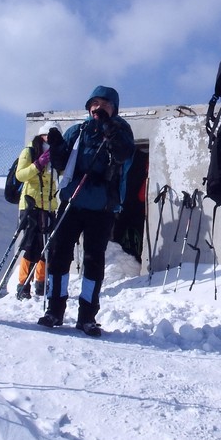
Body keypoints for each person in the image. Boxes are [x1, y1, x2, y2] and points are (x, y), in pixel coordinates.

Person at [36, 86, 135, 337]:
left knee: (93, 260)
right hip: (72, 203)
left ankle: (87, 316)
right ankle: (54, 310)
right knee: (59, 255)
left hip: (101, 208)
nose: (97, 108)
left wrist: (110, 131)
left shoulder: (121, 131)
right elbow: (61, 164)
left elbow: (125, 155)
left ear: (114, 108)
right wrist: (57, 147)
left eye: (104, 104)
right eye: (94, 103)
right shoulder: (77, 132)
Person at [13, 122, 60, 299]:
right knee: (31, 245)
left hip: (49, 205)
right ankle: (23, 284)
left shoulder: (56, 153)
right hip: (31, 204)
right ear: (42, 136)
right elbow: (21, 175)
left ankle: (41, 282)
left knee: (47, 245)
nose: (52, 140)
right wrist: (38, 164)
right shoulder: (30, 151)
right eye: (49, 136)